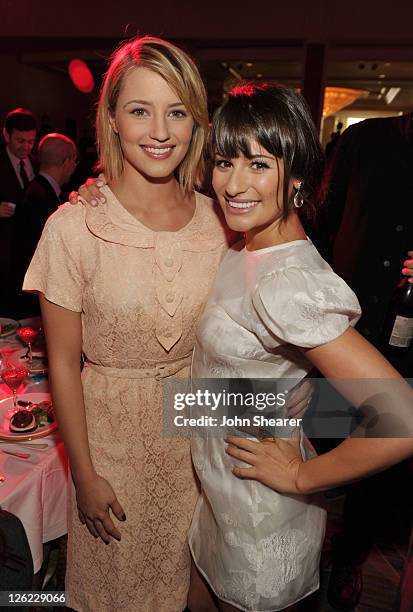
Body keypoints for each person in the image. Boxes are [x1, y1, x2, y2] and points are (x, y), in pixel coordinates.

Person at [184, 83, 413, 612]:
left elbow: (399, 419)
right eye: (224, 162)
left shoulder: (286, 281)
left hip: (260, 518)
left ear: (299, 178)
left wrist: (301, 475)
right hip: (219, 496)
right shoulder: (249, 244)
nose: (234, 185)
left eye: (259, 165)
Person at [22, 36, 230, 612]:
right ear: (111, 119)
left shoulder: (220, 222)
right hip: (109, 444)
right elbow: (62, 362)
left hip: (198, 443)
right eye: (139, 110)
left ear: (197, 123)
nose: (159, 131)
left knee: (199, 589)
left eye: (177, 112)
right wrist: (84, 474)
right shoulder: (74, 228)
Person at [312, 112, 413, 611]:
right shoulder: (365, 140)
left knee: (381, 462)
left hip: (404, 350)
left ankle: (348, 557)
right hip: (338, 336)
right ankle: (310, 542)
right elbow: (318, 221)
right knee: (315, 436)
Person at [11, 133, 77, 318]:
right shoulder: (40, 197)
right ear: (68, 161)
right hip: (33, 301)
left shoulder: (35, 190)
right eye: (75, 161)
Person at [0, 107, 37, 313]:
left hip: (30, 252)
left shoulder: (37, 162)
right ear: (6, 135)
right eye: (20, 141)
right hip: (4, 256)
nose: (26, 147)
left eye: (31, 141)